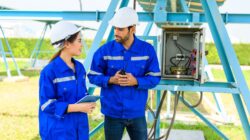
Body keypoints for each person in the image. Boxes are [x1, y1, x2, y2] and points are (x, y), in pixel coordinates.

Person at [88, 7, 161, 140]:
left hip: (137, 112)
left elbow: (155, 78)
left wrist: (136, 81)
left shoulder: (147, 50)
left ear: (132, 29)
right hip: (112, 113)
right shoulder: (105, 51)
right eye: (115, 28)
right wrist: (111, 80)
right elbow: (92, 76)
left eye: (120, 29)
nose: (116, 32)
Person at [38, 21, 96, 140]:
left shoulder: (79, 68)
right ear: (67, 43)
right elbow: (46, 105)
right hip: (59, 132)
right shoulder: (49, 72)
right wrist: (79, 107)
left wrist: (88, 102)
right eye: (79, 41)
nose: (81, 44)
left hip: (80, 129)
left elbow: (80, 95)